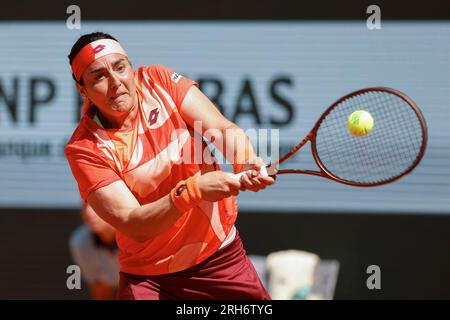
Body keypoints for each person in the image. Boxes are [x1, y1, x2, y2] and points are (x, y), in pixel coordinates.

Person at [65, 32, 275, 300]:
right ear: (82, 89)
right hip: (150, 281)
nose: (116, 82)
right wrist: (194, 190)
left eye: (120, 67)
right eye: (99, 76)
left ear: (130, 66)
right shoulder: (84, 149)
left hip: (220, 260)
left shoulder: (158, 81)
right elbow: (134, 224)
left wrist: (245, 160)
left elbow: (221, 129)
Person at [69, 202, 119, 299]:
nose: (89, 213)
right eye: (85, 206)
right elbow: (101, 292)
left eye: (96, 204)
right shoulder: (80, 242)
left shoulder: (136, 235)